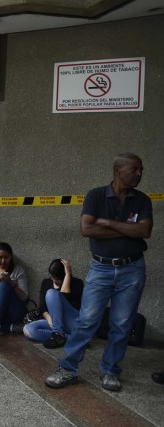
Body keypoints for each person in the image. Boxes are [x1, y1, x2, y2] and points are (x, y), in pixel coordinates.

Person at [46, 152, 152, 392]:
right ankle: (68, 368)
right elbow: (87, 229)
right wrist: (128, 229)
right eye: (134, 169)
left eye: (141, 169)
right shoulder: (96, 196)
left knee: (122, 323)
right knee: (86, 321)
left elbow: (144, 230)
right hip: (101, 268)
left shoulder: (142, 200)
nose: (139, 174)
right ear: (118, 171)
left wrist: (107, 223)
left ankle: (111, 371)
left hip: (132, 269)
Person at [23, 259, 84, 348]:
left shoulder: (77, 283)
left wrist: (68, 276)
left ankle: (58, 334)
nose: (54, 281)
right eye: (52, 277)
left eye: (58, 279)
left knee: (51, 293)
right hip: (55, 322)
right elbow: (42, 307)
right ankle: (71, 339)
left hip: (72, 323)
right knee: (28, 329)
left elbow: (65, 299)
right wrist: (49, 319)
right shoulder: (46, 282)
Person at [0, 242, 28, 335]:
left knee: (5, 285)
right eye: (0, 257)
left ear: (11, 257)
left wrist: (11, 282)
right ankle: (7, 327)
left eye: (6, 257)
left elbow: (24, 297)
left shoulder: (18, 270)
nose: (3, 261)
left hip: (13, 310)